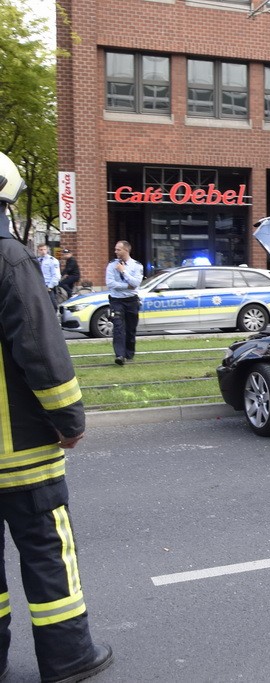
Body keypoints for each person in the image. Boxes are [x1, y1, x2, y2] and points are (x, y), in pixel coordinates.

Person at [0, 152, 114, 683]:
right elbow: (42, 354)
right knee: (48, 550)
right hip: (18, 450)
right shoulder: (11, 260)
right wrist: (70, 419)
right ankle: (69, 657)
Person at [105, 240, 144, 366]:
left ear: (126, 250)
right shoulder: (111, 265)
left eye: (118, 250)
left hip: (131, 300)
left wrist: (123, 271)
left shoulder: (137, 266)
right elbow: (110, 284)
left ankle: (129, 353)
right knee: (118, 327)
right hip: (116, 300)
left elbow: (136, 283)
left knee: (131, 328)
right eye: (115, 249)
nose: (115, 252)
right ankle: (120, 355)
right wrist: (127, 286)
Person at [36, 245, 61, 310]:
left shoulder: (52, 260)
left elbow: (56, 275)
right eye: (41, 250)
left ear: (47, 250)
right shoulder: (37, 261)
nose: (43, 251)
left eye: (44, 249)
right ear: (38, 250)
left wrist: (50, 286)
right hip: (39, 286)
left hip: (48, 286)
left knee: (52, 305)